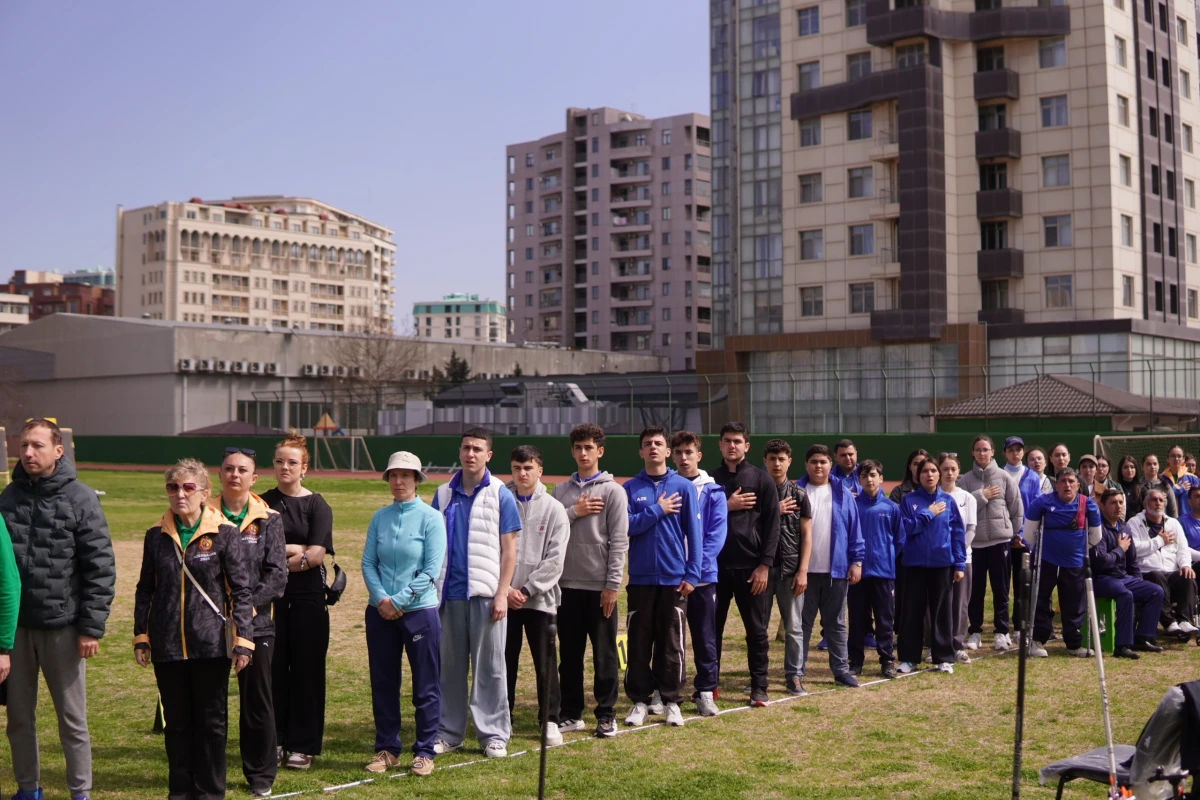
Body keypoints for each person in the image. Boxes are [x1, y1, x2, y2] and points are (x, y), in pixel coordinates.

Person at [1, 419, 115, 800]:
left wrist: (91, 627)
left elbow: (100, 567)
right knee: (18, 718)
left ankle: (79, 792)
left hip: (63, 629)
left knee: (72, 720)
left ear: (58, 450)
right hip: (16, 630)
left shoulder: (81, 498)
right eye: (23, 446)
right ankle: (28, 789)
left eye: (37, 445)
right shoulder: (8, 497)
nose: (29, 453)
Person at [133, 459, 256, 800]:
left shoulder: (225, 534)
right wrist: (141, 635)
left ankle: (210, 791)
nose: (180, 494)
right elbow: (146, 588)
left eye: (188, 488)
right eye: (173, 487)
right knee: (177, 723)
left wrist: (243, 639)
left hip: (210, 644)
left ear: (204, 493)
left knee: (211, 723)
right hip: (167, 643)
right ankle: (180, 791)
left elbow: (240, 591)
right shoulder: (154, 537)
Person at [431, 428, 520, 758]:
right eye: (466, 447)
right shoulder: (442, 494)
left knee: (491, 668)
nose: (471, 454)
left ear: (488, 455)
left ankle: (494, 734)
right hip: (449, 596)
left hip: (486, 596)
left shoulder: (500, 494)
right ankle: (449, 732)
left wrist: (502, 593)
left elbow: (509, 551)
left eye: (477, 449)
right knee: (449, 669)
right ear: (460, 450)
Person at [361, 452, 446, 777]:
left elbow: (430, 569)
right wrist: (382, 599)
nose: (399, 481)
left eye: (405, 476)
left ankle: (424, 751)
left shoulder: (430, 517)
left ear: (416, 480)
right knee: (383, 682)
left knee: (425, 684)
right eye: (393, 475)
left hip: (419, 611)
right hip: (379, 612)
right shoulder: (379, 517)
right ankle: (387, 749)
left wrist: (399, 600)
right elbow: (369, 562)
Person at [211, 447, 287, 797]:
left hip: (256, 624)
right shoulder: (204, 514)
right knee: (210, 703)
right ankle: (210, 773)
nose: (235, 475)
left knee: (257, 702)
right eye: (229, 469)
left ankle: (260, 775)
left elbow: (277, 576)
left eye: (242, 470)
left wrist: (244, 608)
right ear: (220, 474)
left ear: (254, 478)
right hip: (208, 623)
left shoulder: (269, 519)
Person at [261, 434, 335, 771]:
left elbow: (318, 555)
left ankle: (302, 745)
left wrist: (284, 556)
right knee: (273, 670)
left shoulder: (317, 506)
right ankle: (273, 739)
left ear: (304, 468)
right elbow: (253, 553)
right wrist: (296, 552)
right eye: (279, 461)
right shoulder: (260, 503)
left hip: (308, 600)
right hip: (270, 599)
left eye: (292, 462)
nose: (285, 467)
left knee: (306, 670)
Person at [552, 424, 628, 739]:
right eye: (578, 448)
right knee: (568, 656)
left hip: (600, 590)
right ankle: (570, 714)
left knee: (606, 655)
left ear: (600, 451)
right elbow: (553, 532)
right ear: (572, 451)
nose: (583, 453)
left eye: (589, 448)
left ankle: (606, 714)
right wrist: (574, 511)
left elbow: (619, 543)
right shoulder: (559, 492)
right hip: (566, 588)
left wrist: (611, 586)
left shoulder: (613, 491)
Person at [622, 426, 701, 728]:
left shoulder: (682, 486)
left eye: (658, 443)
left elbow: (694, 536)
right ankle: (640, 702)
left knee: (672, 644)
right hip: (641, 580)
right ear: (641, 452)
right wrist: (657, 510)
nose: (653, 447)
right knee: (638, 643)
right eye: (647, 444)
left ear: (668, 451)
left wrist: (692, 573)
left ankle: (671, 702)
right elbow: (627, 527)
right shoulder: (629, 488)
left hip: (674, 580)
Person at [711, 422, 780, 707]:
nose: (732, 446)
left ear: (746, 446)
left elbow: (773, 525)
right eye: (727, 440)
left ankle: (759, 687)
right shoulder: (710, 479)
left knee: (756, 631)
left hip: (751, 570)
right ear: (720, 445)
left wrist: (764, 565)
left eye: (737, 441)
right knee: (710, 630)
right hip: (714, 569)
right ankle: (708, 685)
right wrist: (727, 504)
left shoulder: (761, 480)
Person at [504, 446, 569, 744]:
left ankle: (550, 720)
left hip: (540, 601)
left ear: (540, 470)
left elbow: (555, 560)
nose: (522, 473)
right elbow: (492, 550)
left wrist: (528, 589)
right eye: (517, 468)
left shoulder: (554, 509)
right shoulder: (501, 502)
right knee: (503, 662)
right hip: (503, 599)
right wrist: (505, 589)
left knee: (546, 663)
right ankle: (502, 718)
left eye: (528, 468)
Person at [667, 430, 727, 716]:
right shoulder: (666, 487)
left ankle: (705, 691)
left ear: (699, 456)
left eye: (688, 452)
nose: (683, 458)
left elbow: (715, 537)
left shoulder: (714, 491)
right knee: (667, 638)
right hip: (671, 578)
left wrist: (694, 572)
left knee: (705, 637)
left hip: (702, 579)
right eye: (677, 452)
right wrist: (677, 570)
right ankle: (663, 690)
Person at [795, 444, 864, 690]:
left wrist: (856, 561)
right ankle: (796, 672)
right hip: (803, 573)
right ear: (806, 465)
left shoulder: (842, 492)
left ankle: (841, 671)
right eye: (813, 461)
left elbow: (854, 529)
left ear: (829, 464)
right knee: (802, 624)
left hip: (836, 571)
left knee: (836, 623)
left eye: (823, 462)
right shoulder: (796, 490)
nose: (818, 466)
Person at [896, 458, 966, 675]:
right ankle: (909, 658)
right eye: (925, 471)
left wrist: (959, 563)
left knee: (942, 613)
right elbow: (906, 529)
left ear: (939, 475)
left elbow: (957, 533)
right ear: (918, 475)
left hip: (942, 565)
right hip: (914, 565)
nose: (929, 475)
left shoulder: (948, 501)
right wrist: (929, 513)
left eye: (933, 471)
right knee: (911, 613)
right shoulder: (909, 500)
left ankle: (944, 657)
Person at [1024, 468, 1102, 658]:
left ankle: (1074, 644)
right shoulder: (1042, 503)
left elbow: (1095, 536)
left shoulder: (1088, 504)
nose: (1067, 485)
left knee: (1074, 604)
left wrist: (1077, 550)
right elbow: (1029, 534)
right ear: (1056, 485)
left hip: (1074, 563)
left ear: (1077, 485)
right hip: (1046, 561)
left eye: (1071, 481)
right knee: (1040, 600)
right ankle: (1037, 640)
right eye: (1063, 481)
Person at [958, 435, 1022, 652]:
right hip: (975, 545)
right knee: (975, 591)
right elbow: (961, 511)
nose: (982, 453)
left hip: (1000, 543)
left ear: (993, 452)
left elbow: (1016, 509)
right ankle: (974, 630)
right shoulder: (965, 480)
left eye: (985, 449)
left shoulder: (1004, 478)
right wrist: (980, 495)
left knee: (1001, 589)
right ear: (973, 453)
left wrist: (1009, 533)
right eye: (978, 450)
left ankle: (1002, 631)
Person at [761, 439, 811, 695]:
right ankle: (759, 677)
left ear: (789, 461)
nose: (777, 463)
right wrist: (772, 510)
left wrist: (803, 571)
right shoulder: (757, 493)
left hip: (790, 572)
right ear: (765, 461)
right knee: (759, 628)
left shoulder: (800, 495)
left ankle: (794, 676)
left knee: (793, 627)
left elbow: (806, 535)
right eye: (772, 458)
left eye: (782, 459)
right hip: (762, 571)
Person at [1091, 489, 1166, 659]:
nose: (1118, 506)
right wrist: (1119, 549)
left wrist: (1139, 582)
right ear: (1102, 505)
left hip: (1122, 577)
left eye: (1120, 502)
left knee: (1155, 591)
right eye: (1113, 503)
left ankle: (1143, 637)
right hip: (1100, 579)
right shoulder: (1097, 528)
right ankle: (1122, 646)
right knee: (1125, 594)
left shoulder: (1124, 527)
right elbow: (1100, 562)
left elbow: (1132, 562)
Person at [849, 460, 900, 678]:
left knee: (884, 620)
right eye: (864, 476)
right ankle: (855, 662)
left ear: (880, 477)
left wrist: (885, 558)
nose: (869, 480)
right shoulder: (852, 506)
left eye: (873, 475)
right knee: (857, 620)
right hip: (856, 575)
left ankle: (887, 660)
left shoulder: (891, 508)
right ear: (858, 480)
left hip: (883, 574)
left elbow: (899, 539)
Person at [1125, 488, 1196, 640]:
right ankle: (1169, 622)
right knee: (1156, 575)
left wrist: (1185, 565)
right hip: (1146, 573)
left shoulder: (1173, 523)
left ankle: (1184, 620)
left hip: (1170, 572)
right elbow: (1133, 550)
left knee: (1187, 576)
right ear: (1145, 503)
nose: (1158, 503)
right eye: (1154, 500)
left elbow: (1182, 549)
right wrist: (1158, 541)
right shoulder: (1134, 522)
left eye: (1161, 500)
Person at [939, 454, 978, 663]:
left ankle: (958, 645)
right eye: (945, 469)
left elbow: (971, 529)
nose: (949, 473)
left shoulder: (967, 498)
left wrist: (958, 553)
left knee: (960, 604)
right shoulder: (932, 497)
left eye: (953, 469)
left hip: (963, 559)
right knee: (936, 604)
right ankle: (935, 644)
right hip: (937, 560)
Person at [1140, 454, 1180, 518]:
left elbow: (1173, 511)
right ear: (1142, 467)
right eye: (1148, 464)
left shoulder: (1166, 486)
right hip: (1141, 525)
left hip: (1163, 525)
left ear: (1158, 466)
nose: (1152, 466)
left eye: (1155, 464)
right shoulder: (1137, 486)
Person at [1162, 445, 1200, 512]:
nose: (1176, 459)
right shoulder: (1161, 478)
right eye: (1173, 456)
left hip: (1187, 520)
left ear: (1183, 459)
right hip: (1168, 519)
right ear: (1167, 459)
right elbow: (1161, 498)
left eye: (1179, 456)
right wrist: (1180, 488)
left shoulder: (1193, 478)